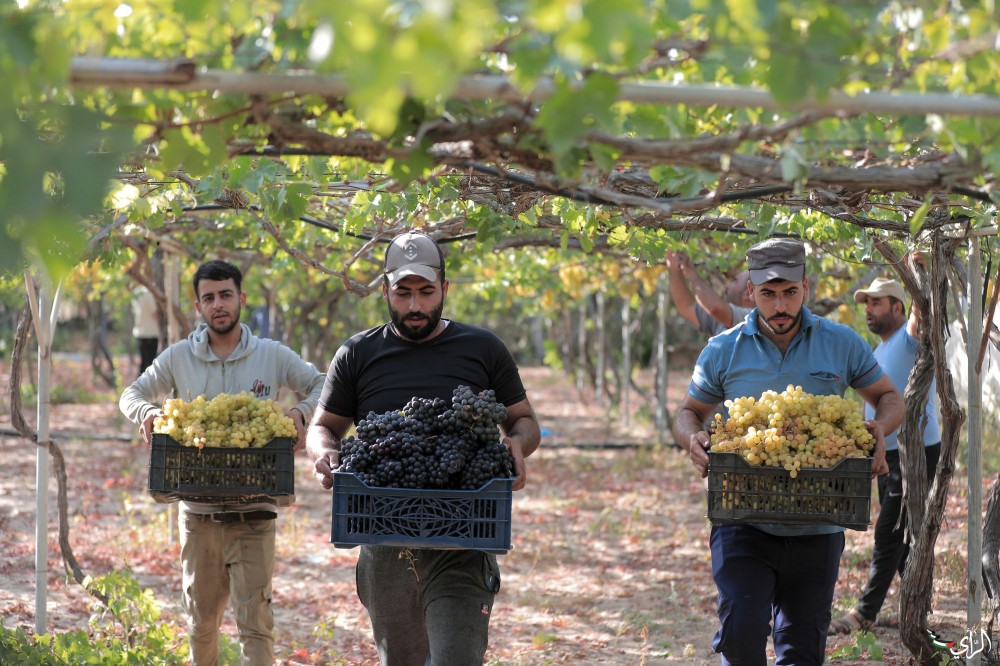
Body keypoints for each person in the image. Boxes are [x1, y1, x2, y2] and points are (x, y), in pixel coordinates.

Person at [306, 231, 541, 666]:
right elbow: (324, 426)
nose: (415, 306)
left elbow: (524, 420)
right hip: (384, 539)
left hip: (464, 537)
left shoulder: (483, 348)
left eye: (426, 292)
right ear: (385, 290)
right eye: (404, 293)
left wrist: (517, 444)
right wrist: (323, 452)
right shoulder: (357, 353)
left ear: (445, 290)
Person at [672, 237, 903, 665]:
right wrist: (692, 437)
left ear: (806, 288)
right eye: (768, 294)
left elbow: (890, 398)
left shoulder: (842, 342)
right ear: (750, 293)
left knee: (802, 651)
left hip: (818, 522)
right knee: (740, 637)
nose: (780, 305)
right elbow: (689, 411)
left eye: (790, 293)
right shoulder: (722, 350)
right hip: (742, 516)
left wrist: (878, 429)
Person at [119, 260, 325, 666]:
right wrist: (146, 414)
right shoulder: (178, 357)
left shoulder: (273, 355)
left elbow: (323, 384)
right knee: (201, 624)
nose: (218, 304)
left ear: (241, 299)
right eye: (209, 298)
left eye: (226, 295)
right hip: (199, 515)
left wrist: (302, 413)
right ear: (198, 307)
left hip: (257, 511)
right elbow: (132, 393)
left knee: (256, 626)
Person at [828, 276, 941, 634]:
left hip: (915, 451)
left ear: (898, 307)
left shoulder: (908, 340)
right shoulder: (878, 352)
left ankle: (864, 613)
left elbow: (924, 314)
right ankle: (917, 612)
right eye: (866, 304)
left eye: (877, 303)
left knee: (889, 534)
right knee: (903, 538)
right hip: (888, 455)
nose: (869, 310)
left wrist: (920, 273)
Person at [665, 249, 754, 336]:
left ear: (748, 293)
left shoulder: (753, 319)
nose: (727, 286)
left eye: (734, 282)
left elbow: (714, 308)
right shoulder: (721, 320)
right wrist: (674, 267)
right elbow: (686, 306)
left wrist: (691, 274)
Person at [131, 287, 159, 376]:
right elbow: (154, 313)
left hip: (140, 333)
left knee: (143, 363)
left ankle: (140, 386)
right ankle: (145, 387)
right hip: (151, 333)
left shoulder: (135, 293)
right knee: (150, 363)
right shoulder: (148, 293)